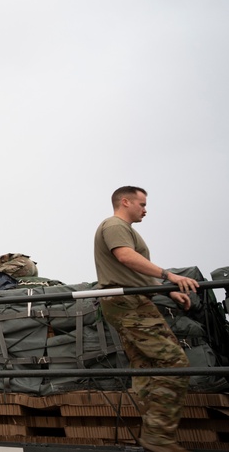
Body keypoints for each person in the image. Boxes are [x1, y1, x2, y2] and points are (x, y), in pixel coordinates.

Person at [93, 186, 198, 452]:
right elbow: (126, 258)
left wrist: (168, 291)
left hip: (133, 301)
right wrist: (170, 276)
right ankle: (158, 436)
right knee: (174, 363)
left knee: (146, 368)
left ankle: (152, 433)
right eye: (141, 204)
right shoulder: (114, 225)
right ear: (125, 201)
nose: (145, 209)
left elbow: (135, 272)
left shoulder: (124, 229)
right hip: (128, 305)